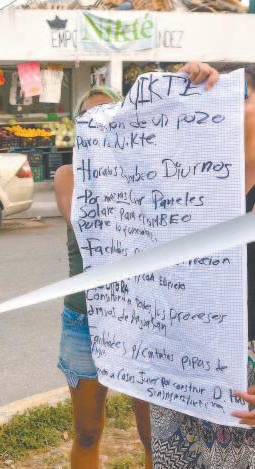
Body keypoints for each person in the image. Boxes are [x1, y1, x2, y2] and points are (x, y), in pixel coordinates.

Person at [149, 64, 255, 468]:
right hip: (181, 369)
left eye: (240, 96)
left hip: (243, 385)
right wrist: (183, 82)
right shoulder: (188, 183)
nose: (224, 108)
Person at [54, 85, 154, 469]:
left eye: (109, 115)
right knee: (87, 431)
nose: (100, 124)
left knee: (151, 434)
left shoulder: (147, 173)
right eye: (90, 119)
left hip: (140, 319)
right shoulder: (68, 175)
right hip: (85, 321)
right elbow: (84, 220)